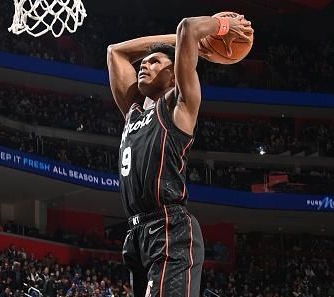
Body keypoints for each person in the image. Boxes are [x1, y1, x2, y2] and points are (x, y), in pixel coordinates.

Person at [107, 14, 252, 297]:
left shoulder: (178, 109)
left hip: (169, 228)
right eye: (145, 62)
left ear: (174, 75)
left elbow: (187, 27)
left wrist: (218, 29)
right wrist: (182, 45)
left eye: (156, 62)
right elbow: (116, 51)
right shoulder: (133, 112)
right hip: (136, 235)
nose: (145, 65)